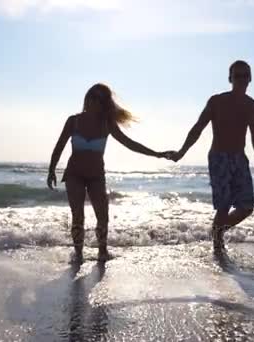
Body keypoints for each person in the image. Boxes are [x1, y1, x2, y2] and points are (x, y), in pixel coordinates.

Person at [47, 83, 170, 262]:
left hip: (97, 176)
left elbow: (130, 143)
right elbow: (59, 146)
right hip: (74, 174)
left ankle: (102, 252)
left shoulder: (107, 124)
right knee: (77, 216)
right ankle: (79, 255)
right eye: (90, 98)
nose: (91, 102)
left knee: (102, 216)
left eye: (96, 99)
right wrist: (51, 170)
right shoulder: (73, 121)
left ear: (103, 103)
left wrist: (157, 154)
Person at [169, 60, 254, 252]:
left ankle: (217, 232)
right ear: (230, 78)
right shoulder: (217, 101)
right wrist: (182, 152)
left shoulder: (252, 106)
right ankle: (217, 245)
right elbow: (198, 128)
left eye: (245, 75)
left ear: (250, 79)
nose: (241, 79)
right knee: (223, 207)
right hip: (219, 158)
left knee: (247, 207)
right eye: (237, 75)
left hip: (240, 158)